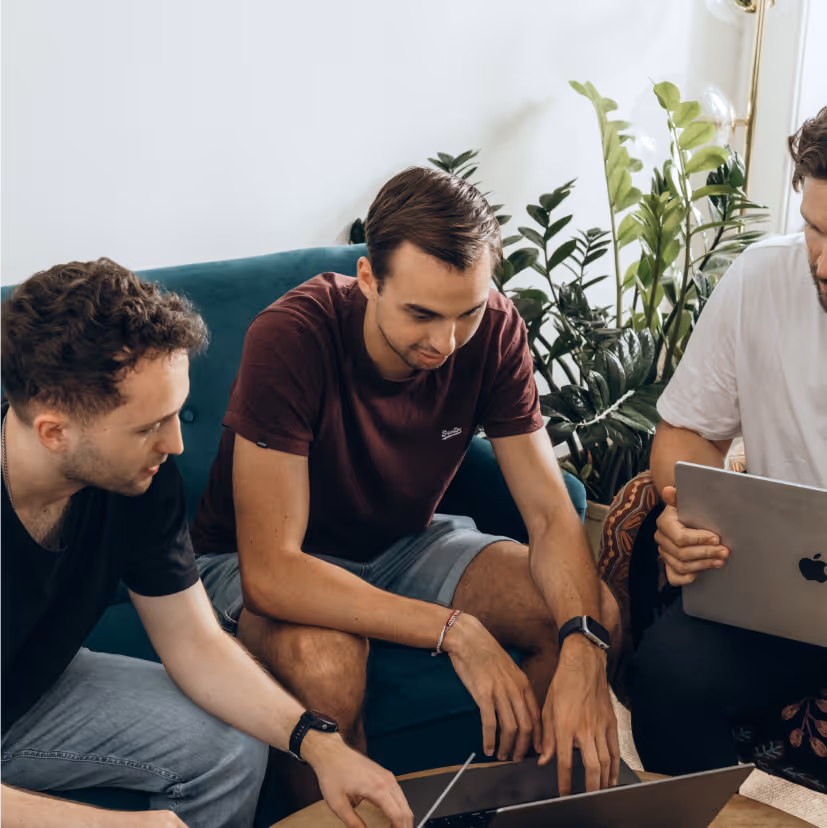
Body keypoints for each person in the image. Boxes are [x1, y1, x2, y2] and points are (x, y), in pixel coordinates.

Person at [193, 167, 622, 809]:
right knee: (325, 668)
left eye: (467, 312)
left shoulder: (497, 329)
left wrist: (584, 643)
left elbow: (550, 516)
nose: (445, 342)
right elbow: (273, 573)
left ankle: (510, 808)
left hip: (406, 543)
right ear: (368, 279)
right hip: (260, 560)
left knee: (594, 612)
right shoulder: (293, 335)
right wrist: (457, 630)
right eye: (421, 314)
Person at [0, 260, 412, 828]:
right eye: (149, 426)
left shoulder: (137, 476)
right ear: (54, 431)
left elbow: (194, 641)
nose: (175, 443)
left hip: (30, 691)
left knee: (230, 743)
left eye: (173, 416)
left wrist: (321, 746)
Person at [628, 108, 827, 775]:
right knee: (664, 674)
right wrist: (688, 512)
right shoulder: (761, 279)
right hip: (789, 598)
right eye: (813, 229)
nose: (821, 262)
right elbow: (685, 431)